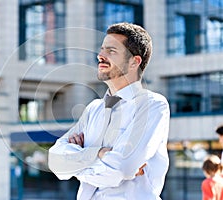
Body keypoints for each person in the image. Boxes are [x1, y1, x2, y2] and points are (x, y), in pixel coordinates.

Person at [48, 22, 170, 199]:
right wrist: (97, 153)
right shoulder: (93, 109)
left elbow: (123, 167)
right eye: (102, 49)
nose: (100, 56)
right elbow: (56, 162)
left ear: (134, 62)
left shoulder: (153, 105)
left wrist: (77, 163)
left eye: (111, 51)